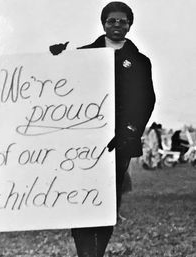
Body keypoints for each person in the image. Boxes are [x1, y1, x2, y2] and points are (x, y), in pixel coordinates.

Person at [50, 2, 155, 256]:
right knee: (80, 196)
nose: (117, 25)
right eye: (111, 21)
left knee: (108, 201)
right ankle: (83, 251)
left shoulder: (140, 61)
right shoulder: (83, 55)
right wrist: (54, 59)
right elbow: (61, 85)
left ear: (130, 24)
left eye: (122, 21)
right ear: (103, 23)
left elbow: (147, 99)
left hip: (120, 142)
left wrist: (131, 130)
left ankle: (97, 252)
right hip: (84, 141)